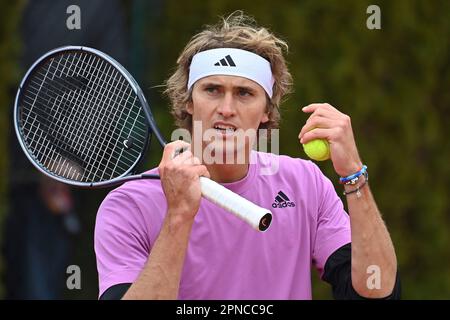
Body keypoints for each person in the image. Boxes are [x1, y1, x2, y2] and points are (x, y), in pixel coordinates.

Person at [95, 13, 401, 300]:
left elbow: (376, 291)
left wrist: (353, 174)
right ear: (188, 102)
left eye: (244, 93)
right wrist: (178, 216)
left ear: (267, 111)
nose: (227, 108)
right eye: (212, 89)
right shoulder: (128, 205)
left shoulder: (306, 183)